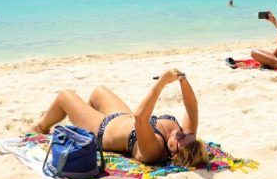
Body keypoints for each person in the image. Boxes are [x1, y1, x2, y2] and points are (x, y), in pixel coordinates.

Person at [30, 70, 209, 167]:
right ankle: (80, 120)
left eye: (180, 138)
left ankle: (41, 127)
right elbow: (192, 107)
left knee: (65, 96)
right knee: (98, 91)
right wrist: (182, 80)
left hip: (102, 128)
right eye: (186, 134)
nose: (180, 133)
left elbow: (140, 118)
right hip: (122, 116)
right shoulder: (187, 139)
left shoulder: (154, 150)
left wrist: (161, 83)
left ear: (173, 152)